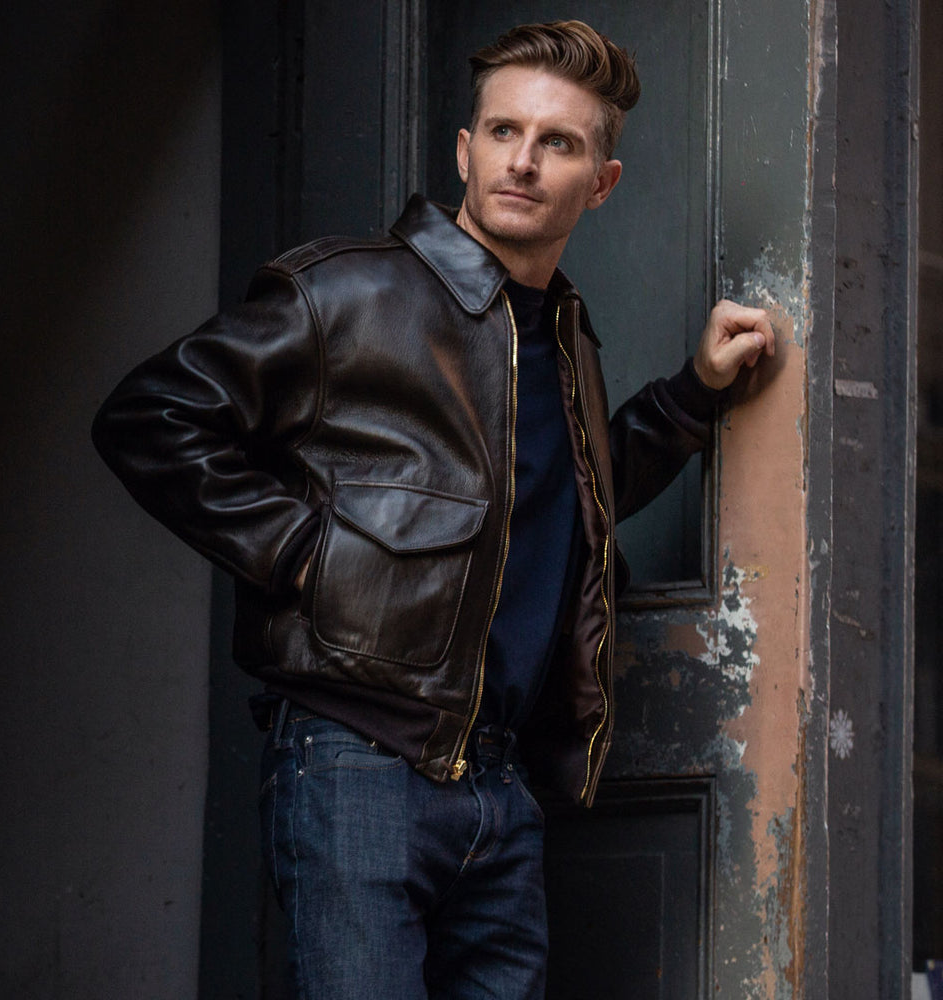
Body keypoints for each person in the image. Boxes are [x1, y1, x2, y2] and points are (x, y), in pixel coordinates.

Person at [92, 19, 774, 1000]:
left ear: (601, 182)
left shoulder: (563, 339)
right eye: (503, 131)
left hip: (500, 784)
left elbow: (570, 500)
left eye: (558, 143)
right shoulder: (349, 292)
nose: (522, 161)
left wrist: (692, 395)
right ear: (464, 150)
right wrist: (308, 554)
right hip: (357, 760)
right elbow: (150, 416)